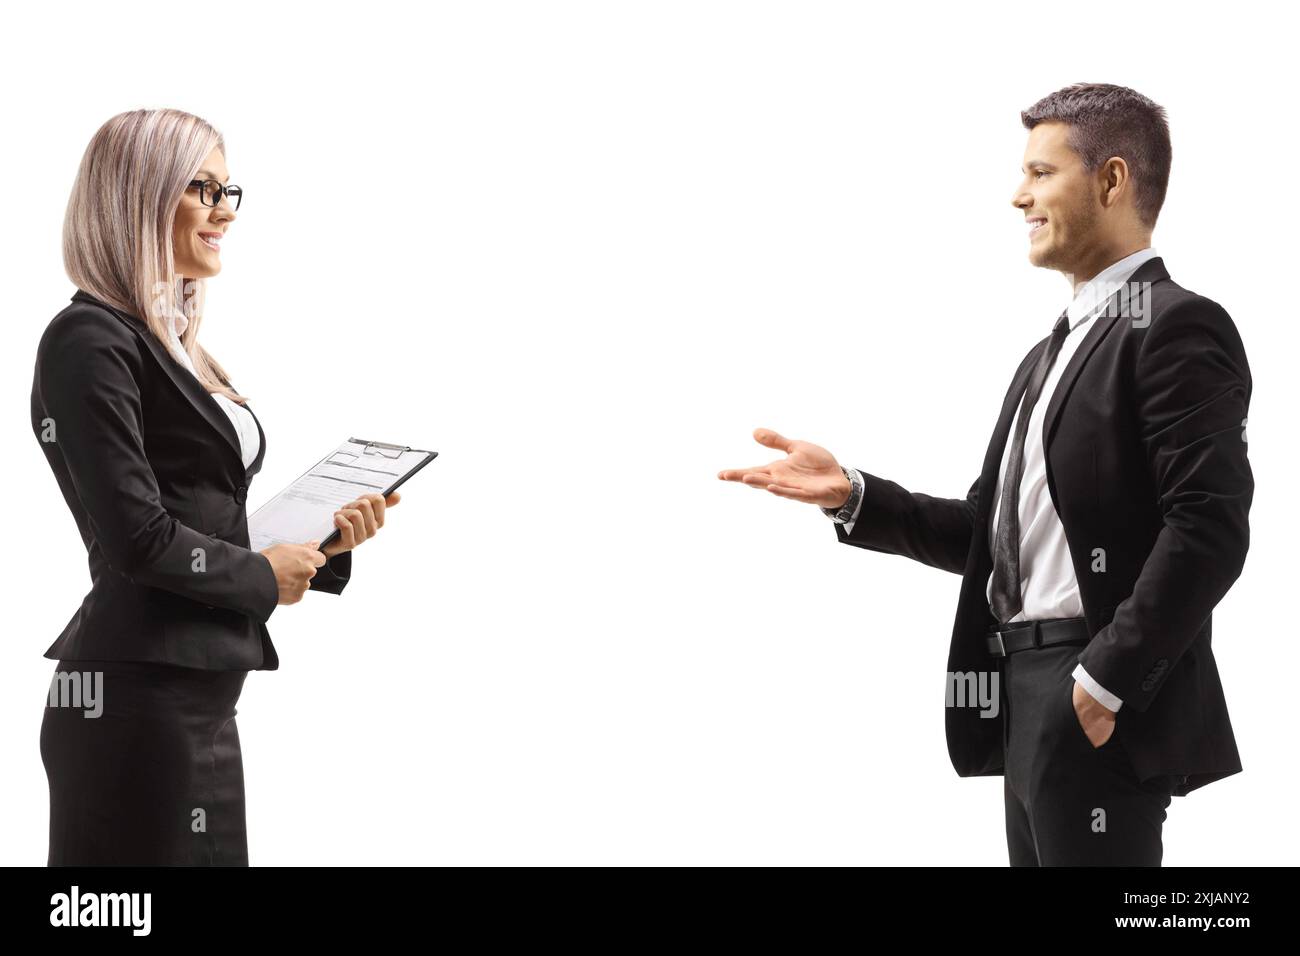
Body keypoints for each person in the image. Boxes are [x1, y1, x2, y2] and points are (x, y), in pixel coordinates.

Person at [718, 83, 1253, 866]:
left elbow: (1209, 525)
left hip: (1096, 687)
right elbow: (988, 535)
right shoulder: (1047, 355)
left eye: (1041, 173)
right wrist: (855, 495)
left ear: (1110, 182)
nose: (1017, 196)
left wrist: (1104, 681)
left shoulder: (1175, 326)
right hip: (1023, 686)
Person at [31, 108, 399, 865]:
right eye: (201, 188)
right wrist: (262, 574)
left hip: (195, 699)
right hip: (134, 703)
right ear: (139, 195)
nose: (224, 208)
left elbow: (197, 513)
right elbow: (139, 539)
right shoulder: (88, 339)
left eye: (228, 188)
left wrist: (319, 545)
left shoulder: (169, 344)